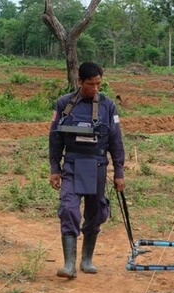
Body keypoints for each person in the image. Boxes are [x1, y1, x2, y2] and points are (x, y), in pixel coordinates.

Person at [49, 62, 125, 279]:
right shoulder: (64, 104)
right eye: (90, 84)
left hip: (97, 166)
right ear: (79, 81)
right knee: (69, 209)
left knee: (96, 213)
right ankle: (69, 264)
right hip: (72, 165)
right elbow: (55, 139)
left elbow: (116, 140)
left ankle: (86, 259)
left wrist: (119, 171)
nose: (95, 88)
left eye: (98, 84)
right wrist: (55, 169)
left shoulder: (108, 105)